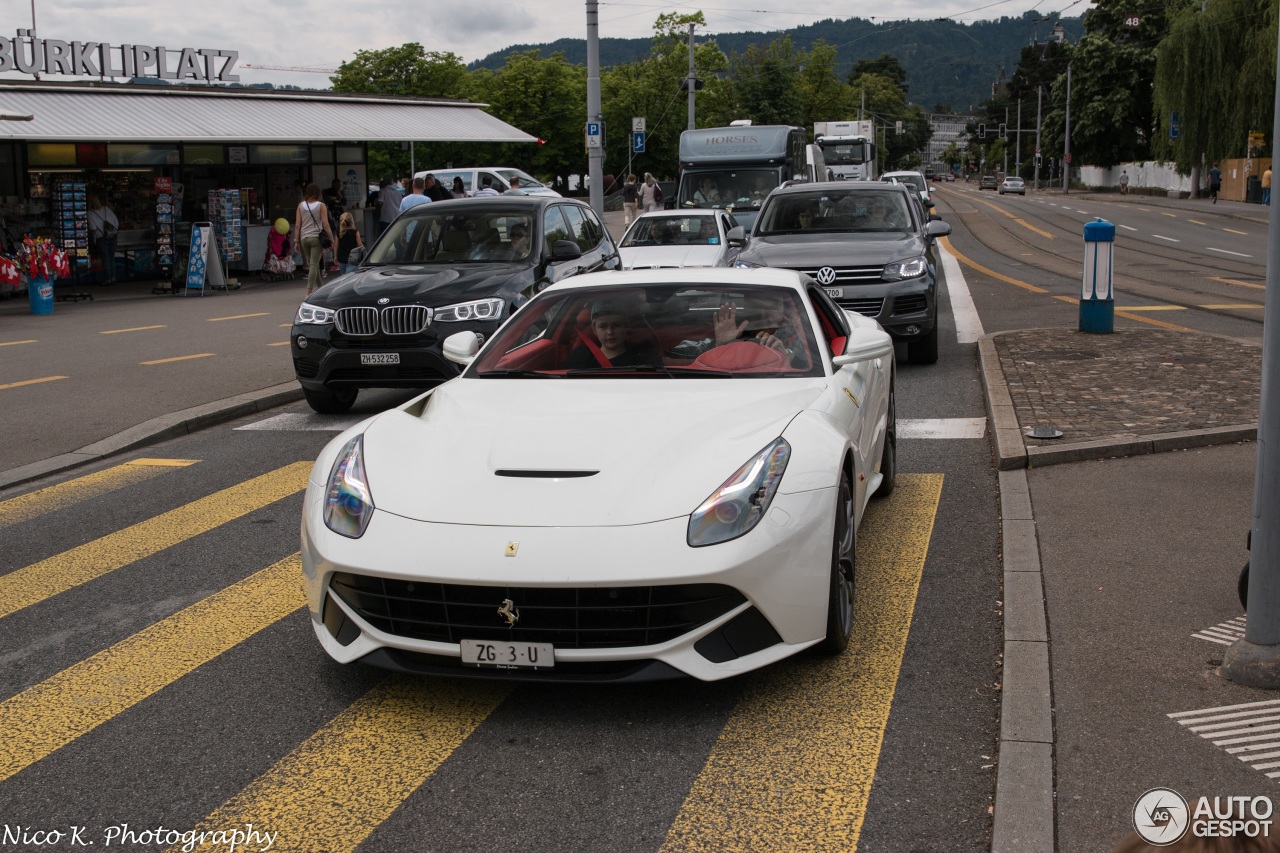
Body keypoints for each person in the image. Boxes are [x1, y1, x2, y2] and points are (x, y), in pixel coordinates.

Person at [564, 296, 660, 369]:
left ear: (626, 326)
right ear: (594, 328)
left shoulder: (644, 356)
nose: (610, 332)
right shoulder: (580, 357)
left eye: (616, 325)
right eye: (603, 326)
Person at [295, 182, 336, 296]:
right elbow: (326, 224)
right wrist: (332, 239)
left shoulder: (301, 205)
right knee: (313, 264)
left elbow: (298, 225)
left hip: (304, 239)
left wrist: (296, 241)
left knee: (314, 264)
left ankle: (321, 289)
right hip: (316, 238)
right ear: (318, 193)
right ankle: (309, 292)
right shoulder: (321, 205)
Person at [86, 196, 120, 286]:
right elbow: (116, 222)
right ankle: (113, 278)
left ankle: (107, 279)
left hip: (101, 237)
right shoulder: (106, 209)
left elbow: (93, 227)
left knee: (105, 259)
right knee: (112, 258)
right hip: (113, 237)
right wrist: (113, 231)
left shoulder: (90, 213)